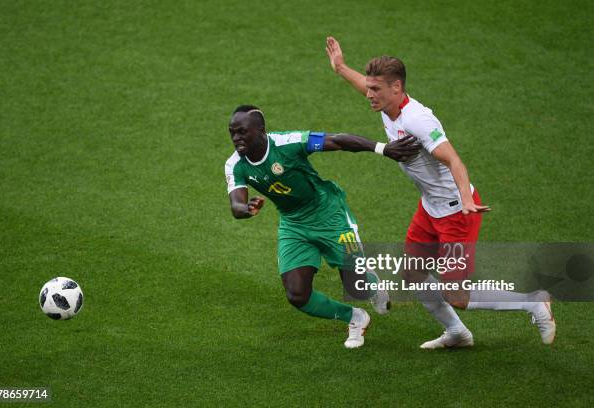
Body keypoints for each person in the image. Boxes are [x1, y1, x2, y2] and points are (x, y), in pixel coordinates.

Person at [325, 37, 556, 348]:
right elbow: (363, 85)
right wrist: (340, 67)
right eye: (369, 87)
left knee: (457, 295)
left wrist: (465, 197)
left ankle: (533, 303)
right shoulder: (386, 105)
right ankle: (457, 334)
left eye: (375, 89)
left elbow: (453, 159)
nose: (369, 94)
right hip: (430, 209)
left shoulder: (417, 119)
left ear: (397, 88)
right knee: (412, 276)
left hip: (456, 213)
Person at [224, 105, 421, 348]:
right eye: (232, 132)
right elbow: (236, 205)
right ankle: (355, 318)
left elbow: (337, 141)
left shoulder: (288, 143)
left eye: (242, 132)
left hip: (330, 215)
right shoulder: (235, 165)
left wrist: (383, 149)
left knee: (356, 286)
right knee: (297, 295)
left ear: (261, 130)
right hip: (293, 225)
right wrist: (246, 208)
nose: (236, 138)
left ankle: (370, 283)